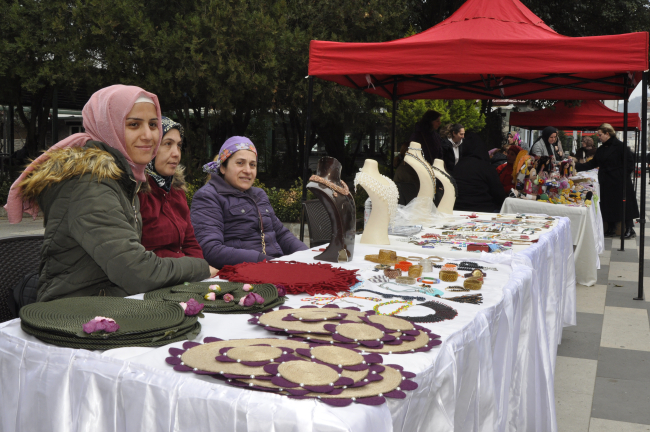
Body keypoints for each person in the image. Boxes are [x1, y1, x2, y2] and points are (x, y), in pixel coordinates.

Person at [3, 85, 217, 302]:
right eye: (134, 124)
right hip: (77, 313)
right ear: (108, 126)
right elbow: (137, 272)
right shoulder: (88, 182)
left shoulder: (123, 178)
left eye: (153, 125)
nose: (148, 135)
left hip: (113, 302)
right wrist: (199, 267)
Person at [191, 136, 308, 268]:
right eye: (240, 163)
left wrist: (307, 256)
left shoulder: (259, 195)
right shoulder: (207, 197)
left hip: (275, 266)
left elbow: (281, 234)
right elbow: (210, 250)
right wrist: (266, 262)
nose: (248, 170)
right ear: (223, 167)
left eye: (252, 165)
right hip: (244, 274)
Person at [138, 117, 204, 258]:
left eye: (179, 145)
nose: (176, 153)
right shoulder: (136, 191)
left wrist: (202, 270)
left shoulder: (176, 190)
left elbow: (190, 242)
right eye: (168, 144)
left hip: (184, 273)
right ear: (149, 147)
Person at [576, 123, 639, 239]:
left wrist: (620, 175)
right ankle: (611, 227)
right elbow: (593, 163)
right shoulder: (601, 149)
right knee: (608, 204)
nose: (598, 137)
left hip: (619, 181)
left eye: (600, 135)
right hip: (606, 180)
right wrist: (576, 166)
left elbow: (630, 164)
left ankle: (629, 228)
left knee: (624, 204)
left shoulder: (621, 146)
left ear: (607, 134)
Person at [452, 132, 507, 212]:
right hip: (483, 209)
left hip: (457, 209)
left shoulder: (457, 167)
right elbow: (499, 195)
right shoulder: (486, 168)